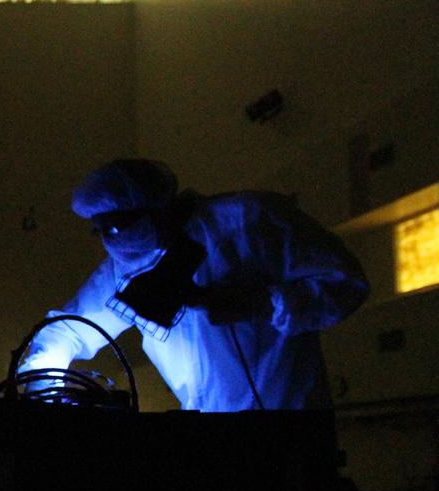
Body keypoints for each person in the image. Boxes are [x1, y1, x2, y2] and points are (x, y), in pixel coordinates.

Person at [20, 159, 369, 411]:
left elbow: (346, 283)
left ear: (156, 208)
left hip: (291, 425)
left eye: (117, 227)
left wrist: (260, 303)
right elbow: (68, 330)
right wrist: (43, 387)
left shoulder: (250, 220)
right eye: (100, 231)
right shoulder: (124, 266)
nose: (112, 243)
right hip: (207, 433)